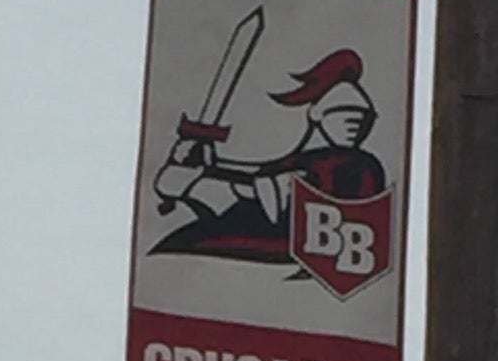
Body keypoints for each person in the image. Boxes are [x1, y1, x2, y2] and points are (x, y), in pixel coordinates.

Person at [152, 48, 386, 260]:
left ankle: (192, 185)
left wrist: (214, 175)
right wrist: (210, 166)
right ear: (319, 115)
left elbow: (276, 190)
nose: (354, 126)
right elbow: (265, 174)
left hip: (296, 242)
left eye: (362, 118)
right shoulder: (305, 157)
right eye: (344, 115)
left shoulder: (359, 165)